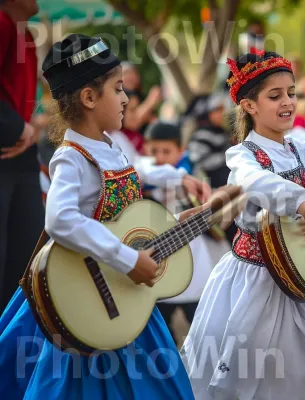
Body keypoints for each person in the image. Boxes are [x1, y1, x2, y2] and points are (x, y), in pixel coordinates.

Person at [0, 34, 199, 399]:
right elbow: (59, 221)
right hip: (86, 300)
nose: (127, 98)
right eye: (118, 88)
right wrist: (125, 257)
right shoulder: (71, 157)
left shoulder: (109, 145)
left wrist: (178, 176)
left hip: (125, 299)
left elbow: (135, 169)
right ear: (89, 98)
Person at [181, 49, 305, 400]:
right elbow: (255, 183)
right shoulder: (244, 156)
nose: (288, 103)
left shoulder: (297, 147)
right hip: (254, 279)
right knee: (252, 372)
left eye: (292, 94)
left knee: (302, 371)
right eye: (275, 95)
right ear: (249, 105)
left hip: (297, 274)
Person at [141, 121, 229, 345]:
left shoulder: (193, 175)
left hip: (193, 261)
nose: (160, 156)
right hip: (160, 265)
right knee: (160, 330)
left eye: (167, 151)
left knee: (203, 326)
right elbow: (149, 171)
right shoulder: (145, 175)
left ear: (181, 151)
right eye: (154, 150)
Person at [0, 0, 45, 315]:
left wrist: (31, 129)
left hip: (22, 156)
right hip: (5, 152)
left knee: (26, 260)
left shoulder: (25, 35)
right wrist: (18, 127)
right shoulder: (3, 24)